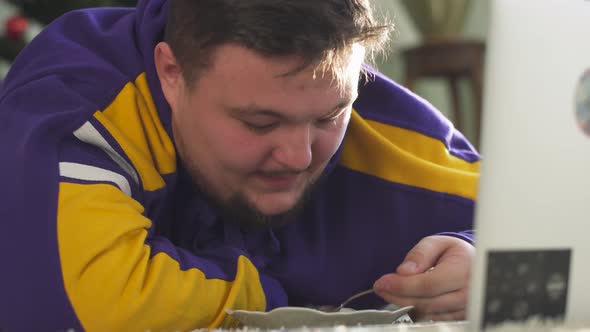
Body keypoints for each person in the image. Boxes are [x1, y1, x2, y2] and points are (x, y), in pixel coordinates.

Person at [0, 0, 480, 331]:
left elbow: (533, 229)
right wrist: (288, 304)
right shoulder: (78, 98)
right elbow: (80, 308)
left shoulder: (375, 119)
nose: (300, 156)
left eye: (329, 117)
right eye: (259, 121)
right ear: (172, 74)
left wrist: (476, 257)